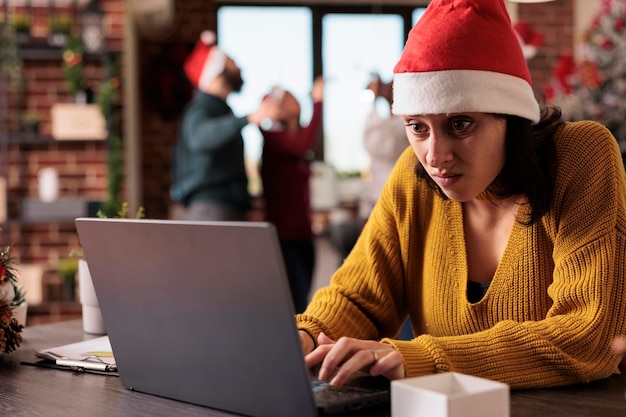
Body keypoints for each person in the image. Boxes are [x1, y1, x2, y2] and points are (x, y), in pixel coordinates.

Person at [296, 0, 626, 390]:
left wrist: (421, 358)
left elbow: (590, 335)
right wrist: (304, 338)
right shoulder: (412, 176)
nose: (435, 156)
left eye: (460, 124)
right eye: (417, 127)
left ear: (509, 116)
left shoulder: (580, 156)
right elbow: (358, 300)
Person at [170, 31, 278, 221]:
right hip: (212, 209)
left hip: (223, 207)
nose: (238, 68)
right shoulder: (200, 109)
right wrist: (249, 118)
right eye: (230, 62)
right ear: (217, 71)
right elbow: (200, 138)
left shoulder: (220, 110)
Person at [259, 77, 324, 313]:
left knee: (304, 297)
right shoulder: (272, 138)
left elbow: (304, 139)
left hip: (304, 233)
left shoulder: (292, 139)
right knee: (293, 302)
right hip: (284, 237)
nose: (289, 100)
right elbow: (304, 144)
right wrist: (318, 102)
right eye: (282, 99)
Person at [329, 74, 408, 260]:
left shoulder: (402, 127)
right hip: (374, 201)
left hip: (395, 200)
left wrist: (377, 99)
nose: (388, 91)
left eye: (392, 88)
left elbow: (386, 140)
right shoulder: (385, 126)